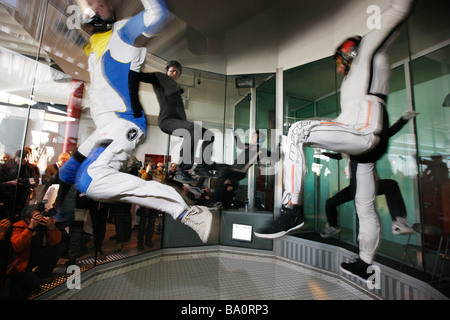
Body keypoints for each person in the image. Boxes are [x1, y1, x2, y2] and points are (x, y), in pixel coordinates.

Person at [255, 0, 415, 282]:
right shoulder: (355, 78)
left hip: (365, 132)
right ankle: (365, 264)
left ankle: (292, 209)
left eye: (340, 61)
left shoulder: (366, 49)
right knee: (364, 206)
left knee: (297, 131)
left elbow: (399, 10)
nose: (340, 68)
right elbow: (346, 117)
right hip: (360, 145)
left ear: (349, 50)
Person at [57, 0, 213, 244]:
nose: (96, 8)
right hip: (102, 127)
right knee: (67, 172)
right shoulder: (91, 47)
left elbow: (157, 14)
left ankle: (186, 211)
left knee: (88, 180)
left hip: (123, 123)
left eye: (101, 4)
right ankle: (60, 222)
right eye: (90, 4)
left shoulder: (122, 32)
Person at [320, 110, 418, 238]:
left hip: (372, 183)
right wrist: (323, 152)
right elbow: (337, 155)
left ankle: (398, 221)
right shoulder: (346, 150)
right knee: (330, 203)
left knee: (391, 185)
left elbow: (387, 134)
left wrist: (403, 120)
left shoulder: (366, 145)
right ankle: (332, 226)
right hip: (355, 185)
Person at [129, 61, 216, 184]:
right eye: (171, 70)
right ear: (167, 71)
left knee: (209, 135)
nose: (174, 73)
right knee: (193, 128)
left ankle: (201, 167)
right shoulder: (160, 77)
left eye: (176, 72)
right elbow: (140, 76)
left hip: (179, 123)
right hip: (167, 121)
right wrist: (135, 62)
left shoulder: (176, 88)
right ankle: (181, 170)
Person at [7, 204, 62, 299]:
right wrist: (30, 227)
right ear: (28, 219)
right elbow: (16, 247)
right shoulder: (18, 227)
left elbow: (56, 241)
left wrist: (51, 227)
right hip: (17, 271)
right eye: (36, 217)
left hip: (34, 264)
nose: (40, 219)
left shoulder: (42, 227)